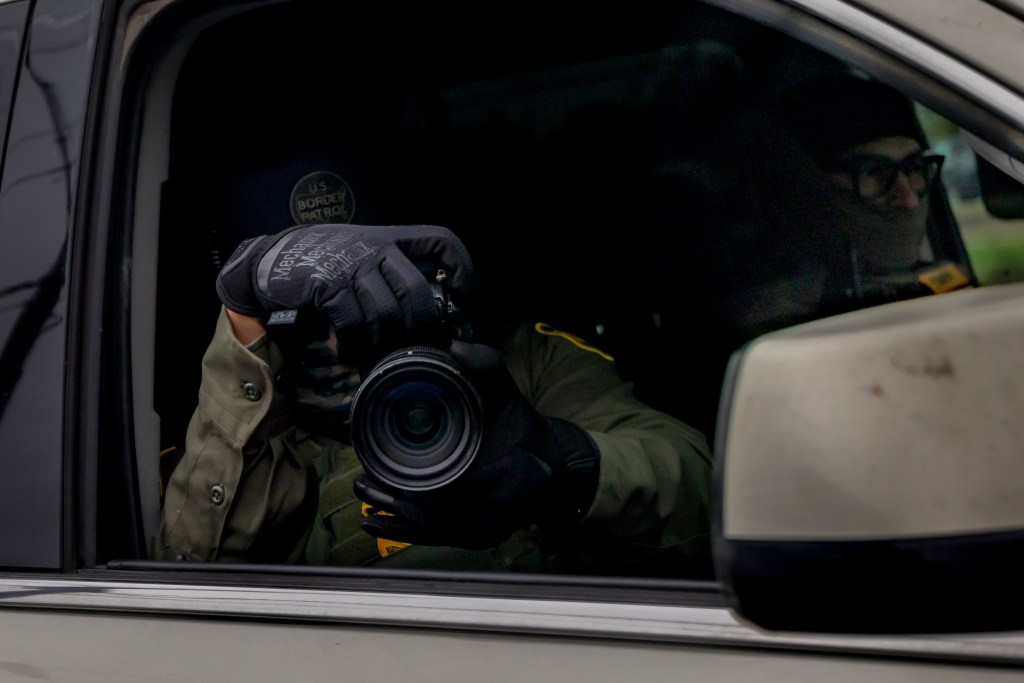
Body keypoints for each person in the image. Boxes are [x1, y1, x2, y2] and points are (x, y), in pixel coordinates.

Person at [153, 223, 714, 577]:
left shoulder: (519, 363)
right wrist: (244, 319)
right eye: (311, 300)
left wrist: (566, 465)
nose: (346, 322)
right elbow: (183, 587)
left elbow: (698, 491)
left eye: (378, 280)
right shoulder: (246, 426)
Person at [711, 71, 972, 340]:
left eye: (914, 168)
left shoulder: (942, 280)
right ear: (807, 186)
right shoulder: (773, 323)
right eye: (873, 172)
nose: (909, 199)